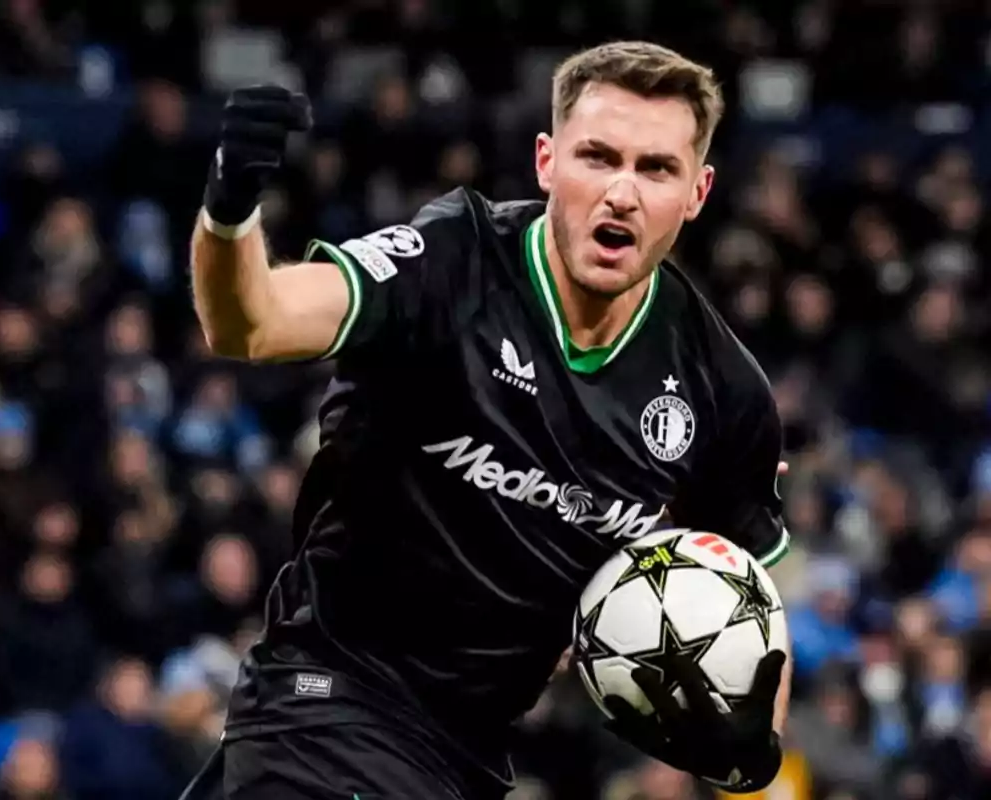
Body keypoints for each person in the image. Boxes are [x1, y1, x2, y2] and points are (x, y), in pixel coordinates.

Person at [185, 40, 792, 800]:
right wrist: (230, 209)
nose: (621, 193)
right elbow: (253, 324)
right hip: (329, 706)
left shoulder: (723, 392)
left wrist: (748, 742)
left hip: (469, 760)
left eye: (655, 169)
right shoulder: (455, 263)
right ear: (547, 162)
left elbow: (751, 607)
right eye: (597, 158)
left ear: (698, 192)